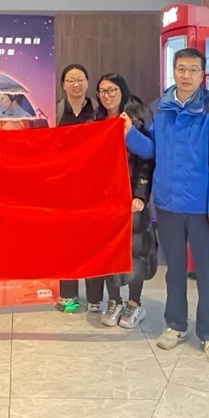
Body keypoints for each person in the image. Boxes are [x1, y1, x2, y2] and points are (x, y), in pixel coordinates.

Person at [123, 47, 209, 365]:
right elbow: (150, 150)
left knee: (206, 272)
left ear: (202, 74)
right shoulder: (158, 108)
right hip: (168, 204)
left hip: (201, 207)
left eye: (193, 70)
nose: (186, 75)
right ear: (174, 71)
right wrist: (129, 134)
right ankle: (176, 325)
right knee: (174, 271)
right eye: (181, 69)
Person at [90, 73, 155, 329]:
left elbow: (147, 159)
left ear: (122, 91)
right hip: (105, 200)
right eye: (102, 91)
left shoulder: (136, 118)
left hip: (131, 197)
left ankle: (134, 303)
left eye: (112, 90)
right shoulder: (95, 121)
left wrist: (140, 194)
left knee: (134, 250)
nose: (107, 96)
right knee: (109, 251)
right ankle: (114, 300)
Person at [53, 64, 96, 313]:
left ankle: (94, 298)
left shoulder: (98, 112)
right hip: (63, 188)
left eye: (80, 79)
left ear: (87, 83)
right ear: (63, 85)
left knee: (93, 242)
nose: (76, 84)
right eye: (70, 80)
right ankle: (68, 297)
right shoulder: (55, 112)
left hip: (93, 187)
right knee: (66, 243)